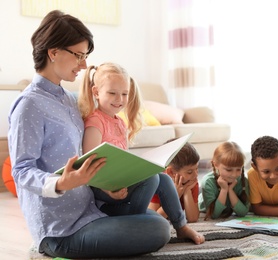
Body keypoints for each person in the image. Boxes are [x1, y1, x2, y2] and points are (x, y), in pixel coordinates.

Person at [7, 10, 198, 259]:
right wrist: (62, 183)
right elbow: (21, 170)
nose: (84, 65)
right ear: (53, 52)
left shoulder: (70, 99)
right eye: (78, 55)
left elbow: (108, 109)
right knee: (159, 228)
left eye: (86, 56)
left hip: (92, 208)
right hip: (61, 230)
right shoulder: (28, 105)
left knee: (154, 187)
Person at [79, 63, 204, 241]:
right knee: (152, 178)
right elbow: (88, 165)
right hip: (102, 192)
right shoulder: (95, 122)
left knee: (163, 178)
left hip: (119, 184)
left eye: (124, 93)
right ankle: (135, 218)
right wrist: (108, 190)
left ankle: (181, 226)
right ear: (96, 92)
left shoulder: (120, 123)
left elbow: (122, 160)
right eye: (112, 93)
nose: (119, 99)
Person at [148, 140, 200, 223]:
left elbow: (193, 218)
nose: (196, 175)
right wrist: (174, 195)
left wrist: (187, 191)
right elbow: (153, 218)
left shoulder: (190, 182)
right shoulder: (157, 183)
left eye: (197, 169)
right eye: (189, 172)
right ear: (171, 172)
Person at [198, 141, 250, 220]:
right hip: (204, 204)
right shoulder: (207, 182)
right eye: (229, 170)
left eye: (238, 169)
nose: (234, 174)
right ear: (216, 165)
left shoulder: (243, 181)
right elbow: (214, 215)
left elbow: (243, 213)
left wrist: (230, 190)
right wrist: (224, 189)